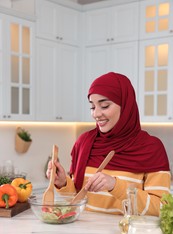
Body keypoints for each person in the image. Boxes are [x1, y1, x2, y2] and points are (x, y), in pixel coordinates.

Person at [46, 72, 171, 216]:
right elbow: (78, 199)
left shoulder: (151, 148)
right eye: (92, 107)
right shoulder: (84, 142)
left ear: (125, 105)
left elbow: (162, 208)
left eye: (104, 106)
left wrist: (115, 185)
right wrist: (62, 183)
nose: (96, 114)